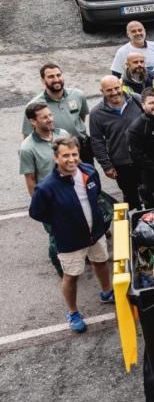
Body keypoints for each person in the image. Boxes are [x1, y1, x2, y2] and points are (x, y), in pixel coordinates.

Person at [29, 136, 113, 332]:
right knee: (71, 276)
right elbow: (36, 212)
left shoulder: (90, 172)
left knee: (101, 262)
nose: (71, 159)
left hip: (96, 233)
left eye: (74, 154)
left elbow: (97, 194)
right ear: (56, 158)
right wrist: (62, 223)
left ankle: (106, 292)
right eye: (65, 155)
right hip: (70, 240)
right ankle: (73, 312)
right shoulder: (46, 187)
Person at [90, 76, 143, 209]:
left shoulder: (137, 100)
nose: (114, 92)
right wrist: (106, 166)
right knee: (130, 196)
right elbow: (97, 141)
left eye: (116, 88)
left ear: (121, 86)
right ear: (102, 91)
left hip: (144, 158)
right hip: (121, 163)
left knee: (149, 191)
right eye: (109, 90)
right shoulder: (96, 114)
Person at [22, 63, 92, 165]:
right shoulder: (34, 105)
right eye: (51, 77)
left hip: (82, 147)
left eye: (58, 75)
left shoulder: (77, 95)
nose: (56, 79)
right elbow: (27, 135)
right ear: (42, 80)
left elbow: (81, 117)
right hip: (58, 151)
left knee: (88, 178)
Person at [21, 103, 69, 196]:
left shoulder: (64, 134)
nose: (50, 119)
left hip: (71, 188)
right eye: (45, 117)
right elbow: (30, 179)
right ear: (33, 121)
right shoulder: (27, 148)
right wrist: (38, 203)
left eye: (50, 115)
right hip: (51, 195)